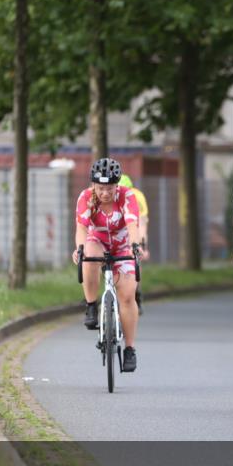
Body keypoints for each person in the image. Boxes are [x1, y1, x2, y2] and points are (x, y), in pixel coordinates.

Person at [72, 158, 141, 372]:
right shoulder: (86, 198)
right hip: (98, 241)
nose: (104, 193)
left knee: (128, 296)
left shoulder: (127, 197)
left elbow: (132, 225)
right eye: (100, 188)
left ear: (116, 185)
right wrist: (80, 249)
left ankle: (129, 349)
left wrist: (136, 246)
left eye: (109, 188)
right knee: (89, 254)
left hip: (122, 246)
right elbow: (82, 229)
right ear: (94, 185)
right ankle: (91, 305)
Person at [119, 174, 150, 314]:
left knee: (135, 258)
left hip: (132, 229)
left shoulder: (137, 197)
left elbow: (142, 223)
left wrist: (142, 246)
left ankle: (137, 293)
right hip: (115, 230)